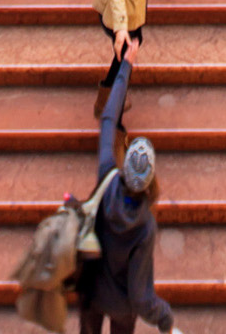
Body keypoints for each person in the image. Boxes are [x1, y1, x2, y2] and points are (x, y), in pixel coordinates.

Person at [77, 56, 180, 334]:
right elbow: (140, 295)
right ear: (149, 181)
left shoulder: (106, 176)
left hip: (90, 292)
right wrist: (164, 318)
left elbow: (109, 118)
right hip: (122, 307)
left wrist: (125, 66)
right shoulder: (144, 226)